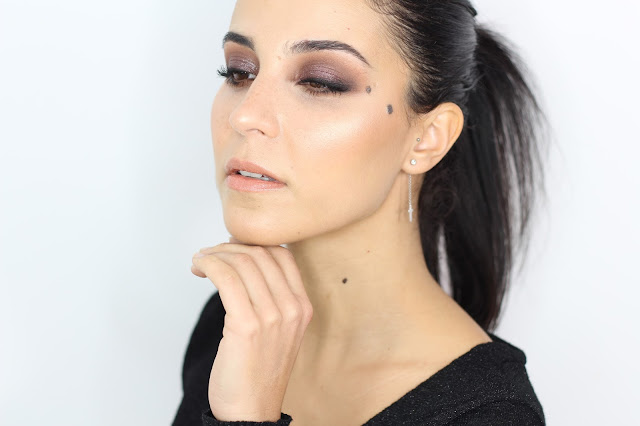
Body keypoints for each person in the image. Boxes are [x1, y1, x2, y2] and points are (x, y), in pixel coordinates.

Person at [173, 0, 548, 424]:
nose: (245, 115)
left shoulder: (490, 413)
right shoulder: (240, 323)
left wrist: (246, 417)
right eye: (240, 72)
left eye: (320, 82)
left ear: (428, 138)